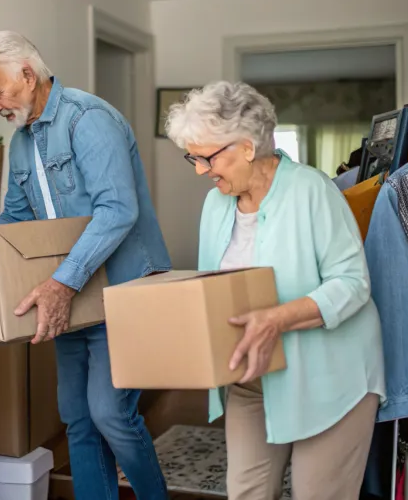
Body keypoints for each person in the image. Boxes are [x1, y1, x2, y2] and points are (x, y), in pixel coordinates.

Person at [0, 31, 171, 500]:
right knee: (77, 418)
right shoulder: (21, 143)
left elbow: (118, 210)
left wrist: (62, 283)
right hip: (69, 295)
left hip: (121, 291)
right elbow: (16, 219)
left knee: (110, 415)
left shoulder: (88, 119)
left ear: (26, 73)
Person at [165, 81, 386, 500]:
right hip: (252, 380)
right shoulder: (216, 205)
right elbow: (215, 288)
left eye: (206, 157)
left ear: (247, 147)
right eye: (191, 157)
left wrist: (276, 319)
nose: (200, 170)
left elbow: (353, 284)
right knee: (245, 492)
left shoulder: (311, 191)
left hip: (330, 378)